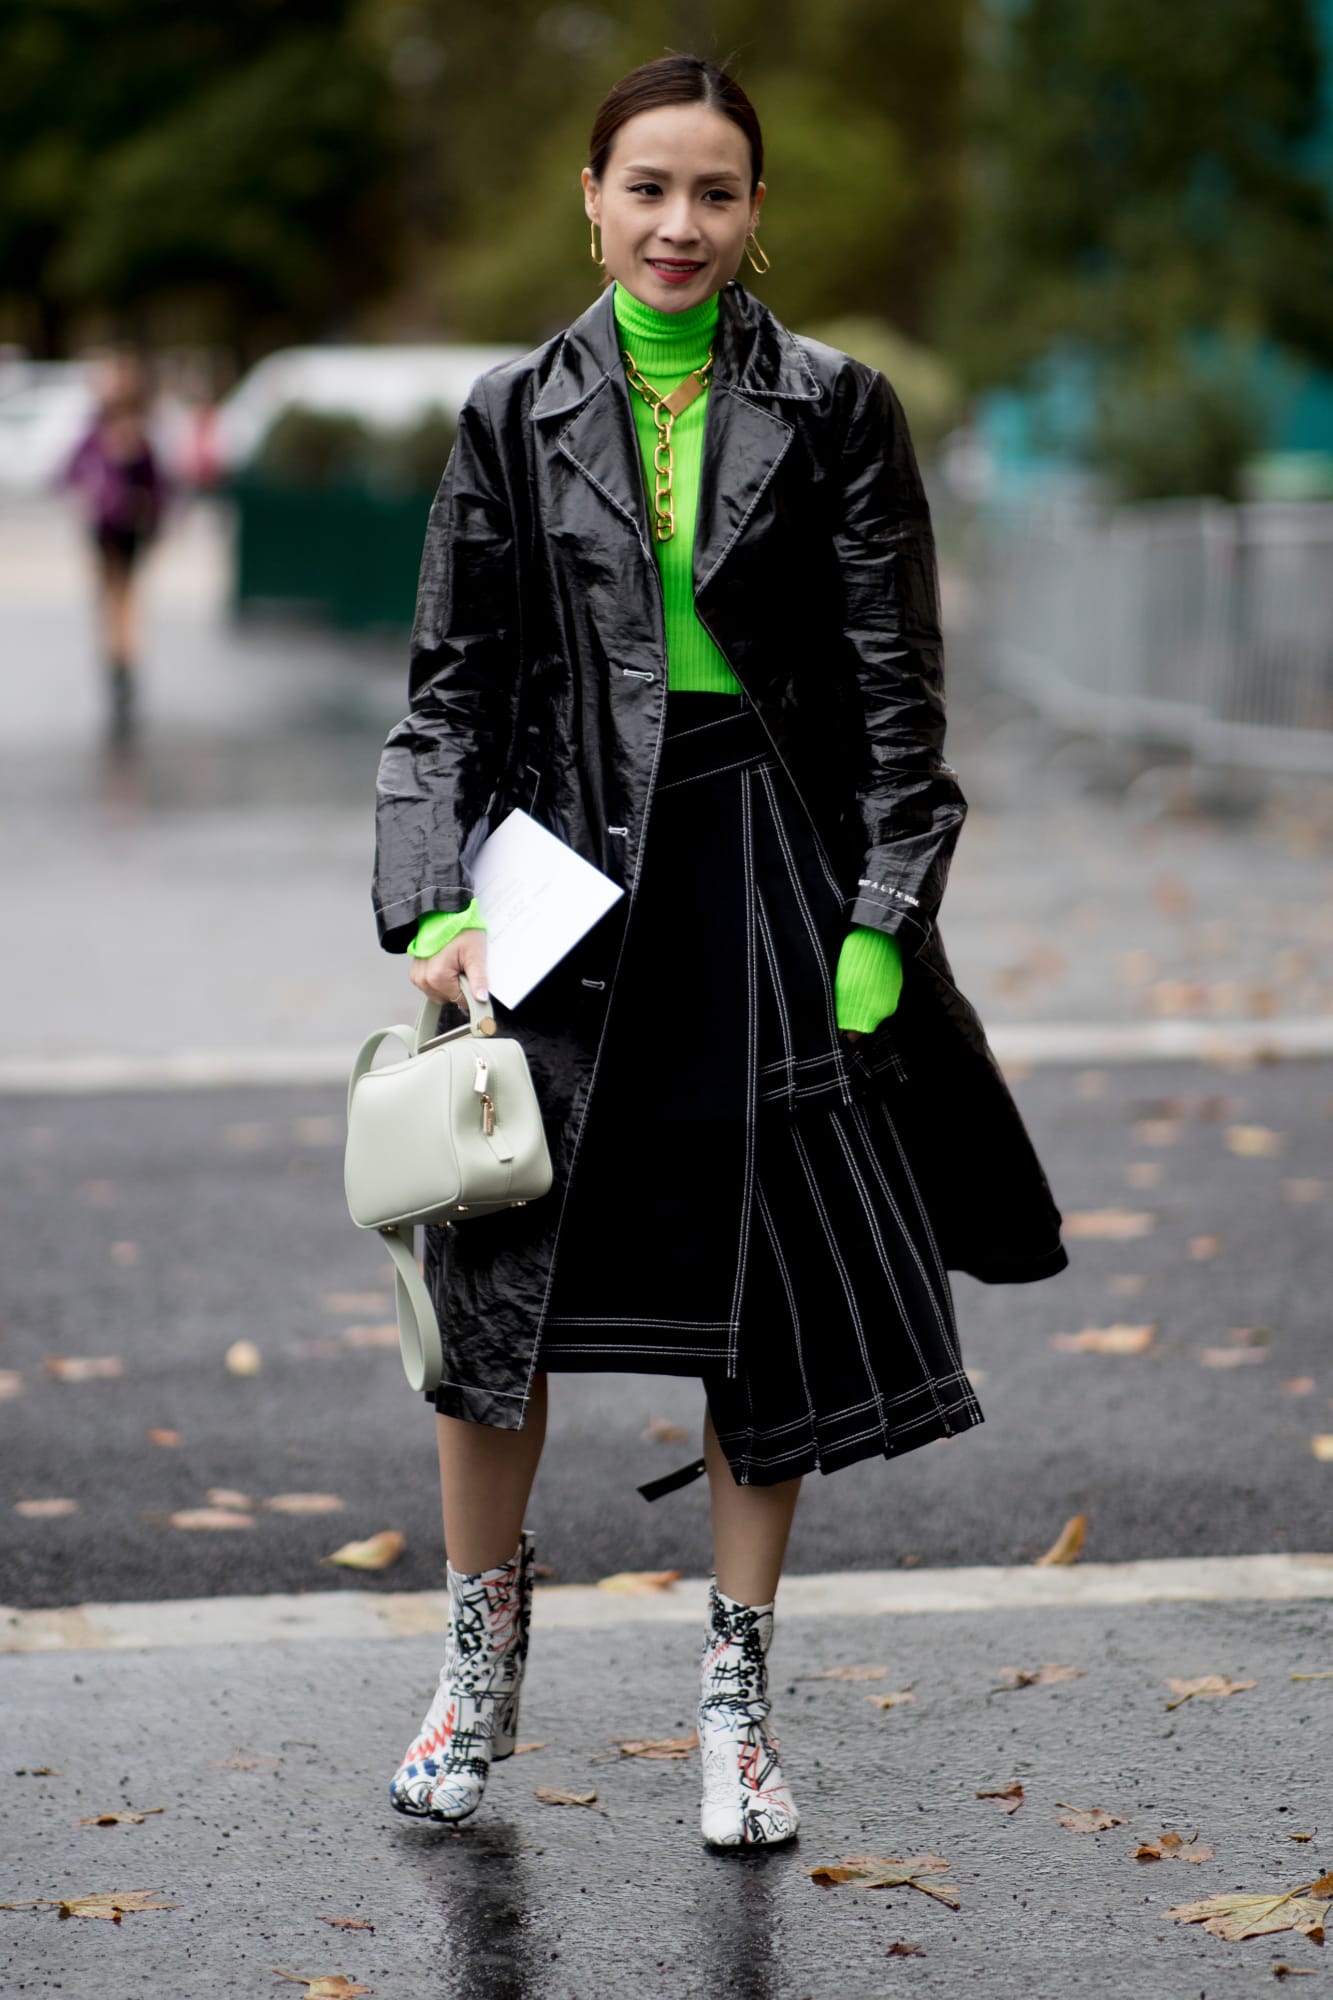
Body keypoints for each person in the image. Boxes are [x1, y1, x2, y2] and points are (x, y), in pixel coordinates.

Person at [372, 54, 1068, 1850]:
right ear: (588, 199)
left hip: (764, 873)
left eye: (716, 192)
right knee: (492, 1299)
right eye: (648, 188)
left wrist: (880, 918)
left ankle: (737, 1707)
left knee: (757, 1315)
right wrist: (432, 900)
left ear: (757, 215)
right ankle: (476, 1673)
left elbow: (900, 702)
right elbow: (444, 692)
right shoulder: (509, 410)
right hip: (552, 884)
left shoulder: (835, 405)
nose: (679, 224)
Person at [61, 356, 164, 738]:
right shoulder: (100, 435)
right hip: (107, 527)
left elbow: (156, 486)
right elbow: (69, 473)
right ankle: (118, 666)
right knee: (116, 598)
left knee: (123, 598)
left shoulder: (135, 434)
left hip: (126, 527)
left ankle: (122, 667)